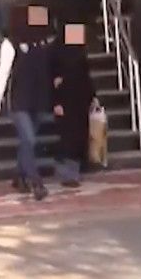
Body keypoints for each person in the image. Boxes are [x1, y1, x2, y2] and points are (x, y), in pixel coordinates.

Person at [0, 4, 55, 201]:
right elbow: (3, 72)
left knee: (27, 142)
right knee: (29, 140)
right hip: (19, 99)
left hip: (38, 97)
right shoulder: (10, 44)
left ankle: (19, 176)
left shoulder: (42, 42)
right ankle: (36, 182)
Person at [52, 22, 97, 188]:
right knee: (68, 137)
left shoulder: (79, 53)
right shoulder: (56, 54)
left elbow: (86, 76)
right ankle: (68, 174)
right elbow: (52, 79)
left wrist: (92, 96)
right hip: (66, 101)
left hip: (79, 101)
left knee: (77, 137)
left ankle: (72, 172)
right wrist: (55, 102)